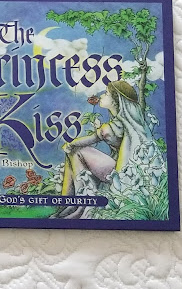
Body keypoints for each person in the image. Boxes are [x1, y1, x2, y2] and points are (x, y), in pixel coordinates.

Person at [53, 80, 153, 218]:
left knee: (76, 151)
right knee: (74, 152)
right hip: (124, 171)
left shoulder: (112, 127)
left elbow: (91, 139)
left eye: (106, 94)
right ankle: (71, 203)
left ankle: (76, 204)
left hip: (118, 174)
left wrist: (70, 144)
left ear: (115, 101)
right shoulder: (127, 122)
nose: (101, 96)